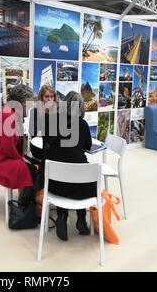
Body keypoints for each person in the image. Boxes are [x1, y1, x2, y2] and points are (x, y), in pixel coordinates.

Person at [43, 91, 97, 241]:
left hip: (54, 184)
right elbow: (88, 145)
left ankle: (62, 215)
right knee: (84, 176)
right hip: (80, 186)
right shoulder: (82, 124)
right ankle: (81, 219)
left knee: (62, 169)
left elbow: (45, 146)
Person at [0, 85, 37, 200]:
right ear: (22, 101)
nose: (30, 105)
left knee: (31, 168)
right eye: (29, 101)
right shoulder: (9, 115)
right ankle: (25, 206)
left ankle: (27, 203)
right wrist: (21, 159)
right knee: (30, 170)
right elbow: (8, 147)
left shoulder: (10, 112)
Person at [28, 85, 58, 159]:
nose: (49, 99)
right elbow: (33, 133)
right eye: (46, 96)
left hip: (53, 147)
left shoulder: (58, 112)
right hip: (38, 147)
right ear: (41, 98)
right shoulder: (34, 112)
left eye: (51, 96)